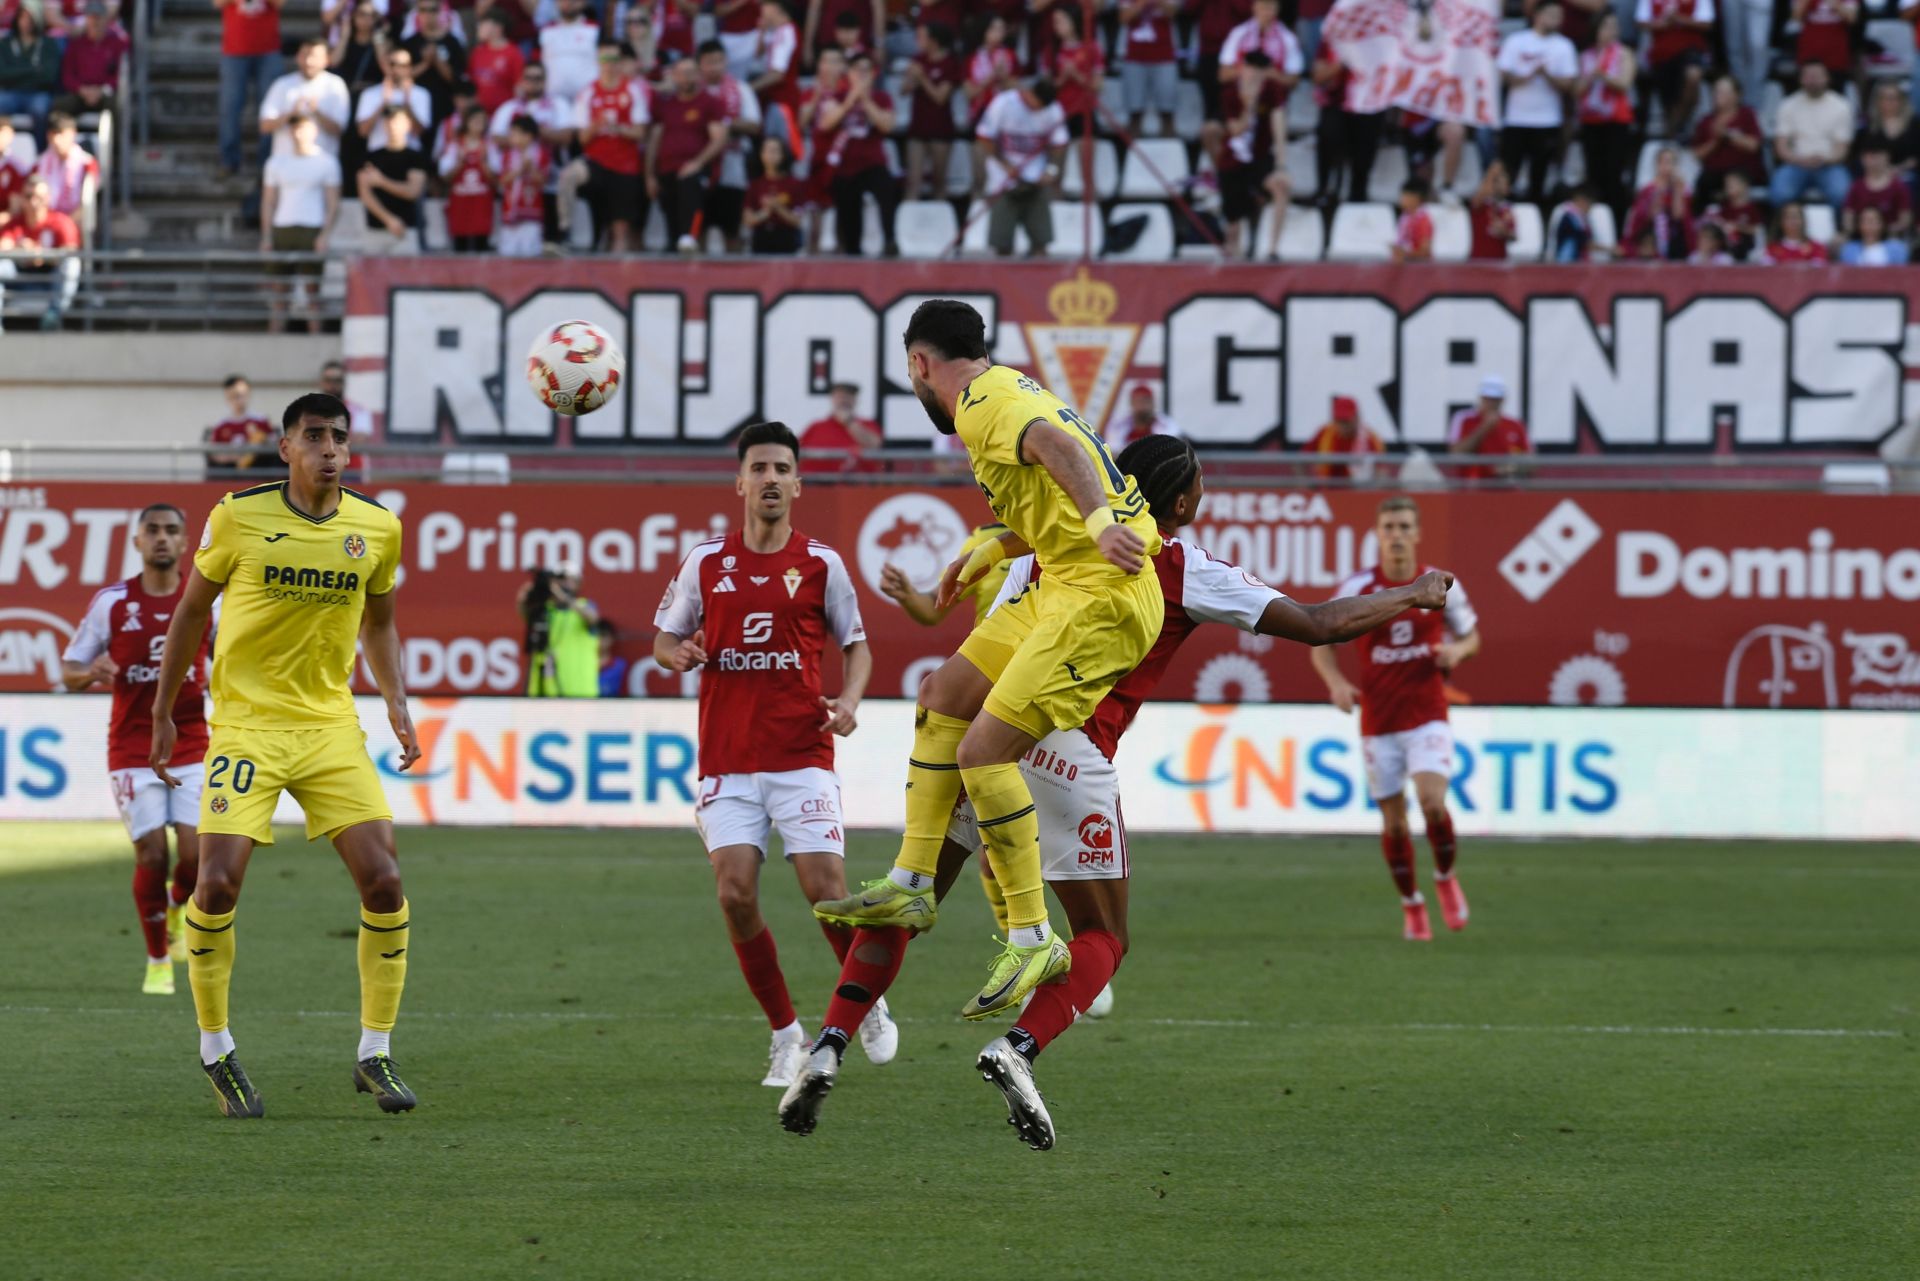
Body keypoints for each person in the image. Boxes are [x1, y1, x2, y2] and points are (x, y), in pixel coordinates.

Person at [782, 436, 1456, 1144]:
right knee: (1106, 935)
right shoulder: (1183, 567)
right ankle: (1017, 1046)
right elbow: (1321, 622)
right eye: (1200, 481)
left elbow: (988, 647)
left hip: (989, 738)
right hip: (1072, 753)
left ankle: (828, 1042)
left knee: (915, 896)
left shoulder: (1050, 547)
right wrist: (1413, 594)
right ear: (1183, 501)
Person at [809, 299, 1165, 1020]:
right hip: (1061, 576)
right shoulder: (1006, 385)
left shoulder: (979, 403)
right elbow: (1043, 487)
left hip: (1101, 593)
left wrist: (1099, 521)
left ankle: (1033, 936)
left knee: (983, 751)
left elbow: (1053, 449)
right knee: (942, 694)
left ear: (918, 362)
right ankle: (913, 880)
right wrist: (999, 540)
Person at [146, 393, 421, 1119]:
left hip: (330, 728)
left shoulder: (378, 527)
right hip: (246, 728)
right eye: (314, 436)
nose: (330, 448)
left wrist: (395, 700)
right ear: (286, 448)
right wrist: (167, 708)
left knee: (386, 880)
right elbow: (191, 611)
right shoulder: (239, 515)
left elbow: (382, 623)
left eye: (339, 436)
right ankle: (216, 1049)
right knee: (219, 884)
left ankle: (375, 1051)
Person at [653, 420, 889, 1089]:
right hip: (728, 759)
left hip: (801, 754)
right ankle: (787, 1033)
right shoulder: (705, 563)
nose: (771, 479)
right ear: (739, 482)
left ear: (798, 483)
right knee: (734, 892)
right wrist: (682, 652)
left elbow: (859, 645)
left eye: (783, 468)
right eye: (759, 468)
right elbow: (664, 641)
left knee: (828, 892)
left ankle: (864, 1001)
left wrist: (850, 699)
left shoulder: (822, 564)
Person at [1310, 496, 1479, 942]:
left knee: (1432, 803)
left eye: (1405, 526)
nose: (1397, 535)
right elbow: (1320, 636)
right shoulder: (1361, 585)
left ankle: (1444, 876)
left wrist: (1457, 651)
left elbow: (1472, 636)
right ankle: (1412, 905)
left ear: (1417, 534)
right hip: (1379, 720)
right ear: (1378, 534)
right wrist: (1336, 684)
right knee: (1395, 824)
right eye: (1389, 527)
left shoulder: (1441, 583)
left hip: (1427, 714)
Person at [60, 502, 213, 997]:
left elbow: (232, 658)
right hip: (131, 747)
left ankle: (174, 909)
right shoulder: (112, 603)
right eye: (153, 531)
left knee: (193, 857)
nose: (163, 538)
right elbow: (69, 670)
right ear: (138, 542)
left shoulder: (208, 600)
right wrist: (91, 672)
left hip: (191, 744)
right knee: (151, 855)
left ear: (186, 542)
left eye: (172, 530)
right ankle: (157, 961)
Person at [1207, 48, 1290, 260]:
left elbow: (1278, 123)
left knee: (1281, 187)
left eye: (1260, 70)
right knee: (1233, 222)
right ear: (1242, 68)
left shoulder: (1272, 89)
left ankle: (1273, 249)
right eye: (1251, 69)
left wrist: (1281, 165)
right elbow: (1235, 129)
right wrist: (1249, 105)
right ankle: (1234, 258)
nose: (1255, 75)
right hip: (1233, 160)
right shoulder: (1230, 93)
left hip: (1259, 157)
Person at [260, 114, 340, 333]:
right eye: (294, 128)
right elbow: (268, 201)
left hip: (311, 228)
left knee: (312, 292)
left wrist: (324, 234)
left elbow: (333, 203)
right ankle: (274, 342)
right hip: (282, 228)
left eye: (303, 128)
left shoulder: (326, 162)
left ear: (314, 131)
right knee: (279, 293)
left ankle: (316, 342)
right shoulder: (276, 162)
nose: (298, 133)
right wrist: (267, 235)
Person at [1496, 0, 1576, 208]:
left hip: (1548, 120)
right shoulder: (1516, 41)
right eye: (1551, 15)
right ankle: (1506, 214)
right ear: (1537, 15)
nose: (1556, 20)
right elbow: (1505, 77)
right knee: (1509, 172)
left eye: (1559, 16)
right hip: (1516, 118)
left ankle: (1537, 218)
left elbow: (1568, 85)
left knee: (1539, 176)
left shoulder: (1564, 46)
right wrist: (1530, 74)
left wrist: (1547, 75)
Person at [977, 75, 1067, 258]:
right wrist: (1005, 164)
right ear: (1029, 94)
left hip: (1036, 179)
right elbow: (985, 137)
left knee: (1041, 244)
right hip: (1003, 180)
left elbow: (1059, 144)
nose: (1039, 110)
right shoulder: (1003, 104)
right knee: (1002, 245)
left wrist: (1051, 170)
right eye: (1037, 104)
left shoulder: (1053, 110)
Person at [819, 51, 898, 256]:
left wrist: (866, 101)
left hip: (873, 162)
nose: (862, 74)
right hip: (845, 165)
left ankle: (890, 239)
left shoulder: (882, 97)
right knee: (849, 210)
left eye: (866, 70)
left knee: (886, 188)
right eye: (857, 69)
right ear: (849, 73)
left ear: (874, 74)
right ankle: (853, 250)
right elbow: (826, 123)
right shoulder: (838, 97)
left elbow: (887, 125)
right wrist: (850, 101)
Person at [647, 53, 729, 254]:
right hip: (667, 170)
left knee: (690, 187)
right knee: (670, 214)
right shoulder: (665, 105)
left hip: (696, 170)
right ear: (674, 76)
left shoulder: (710, 102)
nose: (686, 77)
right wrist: (649, 175)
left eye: (691, 72)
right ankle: (674, 247)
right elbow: (654, 141)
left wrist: (698, 163)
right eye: (681, 73)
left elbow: (719, 138)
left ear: (699, 75)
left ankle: (689, 237)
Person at [578, 40, 650, 253]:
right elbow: (582, 138)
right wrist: (596, 125)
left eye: (614, 59)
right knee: (600, 228)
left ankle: (620, 280)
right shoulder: (588, 92)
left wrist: (616, 127)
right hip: (598, 165)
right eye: (605, 59)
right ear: (598, 61)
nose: (609, 64)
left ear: (621, 62)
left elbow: (640, 133)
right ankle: (561, 233)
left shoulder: (632, 91)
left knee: (621, 229)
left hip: (625, 166)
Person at [697, 38, 763, 255]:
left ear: (726, 62)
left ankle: (734, 281)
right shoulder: (693, 90)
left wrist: (725, 123)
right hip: (701, 165)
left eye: (719, 61)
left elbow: (754, 125)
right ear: (700, 64)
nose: (714, 66)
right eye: (709, 62)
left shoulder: (741, 89)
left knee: (731, 229)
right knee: (699, 228)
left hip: (732, 167)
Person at [1769, 62, 1855, 210]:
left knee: (1842, 194)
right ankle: (1786, 232)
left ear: (1827, 78)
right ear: (1801, 79)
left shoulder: (1841, 106)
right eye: (1808, 76)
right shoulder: (1788, 105)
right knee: (1780, 193)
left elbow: (1842, 150)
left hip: (1829, 164)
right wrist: (1799, 159)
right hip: (1795, 163)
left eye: (1817, 76)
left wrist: (1823, 160)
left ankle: (1839, 232)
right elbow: (1781, 146)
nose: (1813, 80)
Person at [1576, 10, 1636, 218]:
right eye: (1607, 26)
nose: (1612, 31)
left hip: (1616, 122)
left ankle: (1617, 224)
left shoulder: (1623, 53)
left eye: (1614, 26)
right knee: (1594, 176)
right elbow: (1576, 91)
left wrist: (1602, 74)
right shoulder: (1586, 55)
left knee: (1614, 175)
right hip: (1591, 121)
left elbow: (1625, 83)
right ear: (1596, 29)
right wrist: (1590, 77)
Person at [214, 0, 285, 174]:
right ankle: (229, 161)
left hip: (268, 50)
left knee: (271, 108)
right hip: (234, 50)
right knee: (230, 108)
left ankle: (268, 162)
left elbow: (281, 3)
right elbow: (217, 3)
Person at [1634, 0, 1712, 137]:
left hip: (1691, 48)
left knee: (1693, 77)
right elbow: (1641, 21)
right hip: (1661, 53)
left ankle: (1674, 126)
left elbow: (1707, 23)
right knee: (1668, 100)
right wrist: (1662, 24)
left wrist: (1679, 19)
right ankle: (1674, 129)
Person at [519, 565, 600, 697]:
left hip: (579, 692)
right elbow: (524, 612)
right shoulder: (544, 610)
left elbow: (593, 618)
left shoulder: (584, 606)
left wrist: (562, 596)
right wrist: (529, 595)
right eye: (559, 579)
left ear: (579, 583)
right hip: (546, 691)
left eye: (568, 579)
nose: (563, 583)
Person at [357, 105, 428, 253]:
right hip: (375, 230)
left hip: (406, 230)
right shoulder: (371, 157)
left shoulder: (415, 158)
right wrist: (389, 220)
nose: (392, 125)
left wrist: (381, 181)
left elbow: (412, 191)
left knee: (405, 276)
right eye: (389, 121)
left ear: (407, 124)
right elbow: (365, 193)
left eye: (397, 121)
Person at [1688, 74, 1766, 208]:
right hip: (1714, 172)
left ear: (1737, 95)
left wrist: (1728, 136)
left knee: (1734, 181)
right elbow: (1697, 154)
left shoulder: (1747, 115)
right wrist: (1715, 142)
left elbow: (1754, 145)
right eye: (1716, 91)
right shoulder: (1706, 121)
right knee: (1702, 183)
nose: (1717, 95)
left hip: (1743, 170)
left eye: (1723, 92)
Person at [900, 22, 959, 202]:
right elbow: (903, 91)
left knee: (939, 182)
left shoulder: (950, 63)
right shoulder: (917, 60)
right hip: (917, 128)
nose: (918, 41)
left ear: (934, 40)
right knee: (913, 182)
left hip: (941, 129)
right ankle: (908, 224)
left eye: (922, 37)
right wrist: (911, 78)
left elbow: (940, 97)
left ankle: (942, 226)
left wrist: (922, 77)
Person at [1447, 374, 1532, 480]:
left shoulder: (1515, 424)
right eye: (1487, 399)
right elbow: (1456, 453)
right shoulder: (1464, 419)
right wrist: (1484, 428)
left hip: (1508, 488)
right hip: (1472, 488)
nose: (1491, 403)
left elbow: (1529, 460)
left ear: (1502, 399)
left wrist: (1508, 468)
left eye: (1495, 399)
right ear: (1481, 398)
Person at [56, 2, 128, 121]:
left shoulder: (117, 44)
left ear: (106, 19)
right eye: (91, 17)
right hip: (81, 93)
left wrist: (102, 90)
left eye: (99, 17)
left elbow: (121, 75)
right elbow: (67, 75)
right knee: (59, 106)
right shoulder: (76, 44)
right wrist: (82, 89)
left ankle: (117, 140)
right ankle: (63, 137)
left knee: (117, 104)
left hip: (105, 94)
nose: (95, 21)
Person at [0, 6, 63, 143]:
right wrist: (33, 71)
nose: (26, 22)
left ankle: (40, 150)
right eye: (23, 17)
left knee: (40, 109)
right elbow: (2, 75)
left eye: (30, 18)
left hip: (37, 93)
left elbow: (49, 76)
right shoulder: (5, 44)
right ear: (17, 19)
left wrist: (16, 73)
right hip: (11, 93)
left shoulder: (48, 44)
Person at [1622, 145, 1696, 260]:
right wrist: (1657, 197)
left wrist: (1677, 189)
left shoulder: (1681, 188)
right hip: (1651, 235)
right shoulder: (1647, 190)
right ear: (1657, 164)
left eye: (1671, 162)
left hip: (1674, 239)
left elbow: (1679, 216)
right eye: (1664, 161)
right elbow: (1643, 218)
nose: (1667, 166)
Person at [1118, 0, 1180, 136]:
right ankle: (1133, 152)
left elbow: (1173, 13)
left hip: (1165, 55)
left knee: (1167, 111)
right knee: (1135, 112)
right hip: (1135, 55)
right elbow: (1123, 18)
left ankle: (1169, 150)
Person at [354, 46, 431, 155]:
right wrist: (383, 103)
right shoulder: (370, 94)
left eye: (403, 65)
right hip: (378, 153)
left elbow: (419, 132)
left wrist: (407, 104)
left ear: (410, 67)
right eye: (392, 64)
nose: (397, 69)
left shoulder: (421, 94)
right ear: (385, 65)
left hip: (410, 155)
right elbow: (363, 132)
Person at [402, 0, 466, 130]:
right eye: (423, 10)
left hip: (444, 105)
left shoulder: (453, 43)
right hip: (415, 106)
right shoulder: (409, 43)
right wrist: (425, 64)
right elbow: (402, 76)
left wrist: (437, 60)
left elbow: (456, 79)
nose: (428, 14)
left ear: (440, 12)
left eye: (432, 10)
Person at [494, 111, 549, 257]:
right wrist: (519, 170)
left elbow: (543, 181)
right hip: (510, 208)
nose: (512, 138)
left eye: (515, 134)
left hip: (532, 210)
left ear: (528, 136)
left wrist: (530, 168)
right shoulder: (507, 154)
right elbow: (502, 180)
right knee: (508, 252)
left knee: (530, 252)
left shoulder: (541, 154)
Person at [440, 103, 495, 251]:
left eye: (482, 121)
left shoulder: (489, 146)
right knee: (460, 247)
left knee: (481, 246)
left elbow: (495, 179)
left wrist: (483, 162)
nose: (478, 124)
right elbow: (445, 177)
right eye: (475, 120)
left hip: (481, 204)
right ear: (466, 122)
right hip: (460, 204)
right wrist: (459, 163)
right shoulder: (455, 146)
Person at [1045, 5, 1105, 136]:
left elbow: (1099, 86)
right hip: (1058, 110)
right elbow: (1045, 89)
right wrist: (1062, 78)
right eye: (1055, 22)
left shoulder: (1092, 47)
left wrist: (1076, 75)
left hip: (1084, 110)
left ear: (1073, 21)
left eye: (1060, 21)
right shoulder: (1052, 50)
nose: (1056, 26)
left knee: (1085, 144)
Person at [797, 380, 881, 472]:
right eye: (840, 396)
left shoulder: (867, 424)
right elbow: (796, 452)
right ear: (832, 399)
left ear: (856, 400)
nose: (844, 400)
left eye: (848, 396)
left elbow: (874, 445)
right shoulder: (816, 426)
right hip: (815, 483)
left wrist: (849, 422)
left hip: (856, 484)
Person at [743, 134, 805, 254]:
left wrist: (778, 207)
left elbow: (797, 220)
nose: (770, 155)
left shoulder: (794, 184)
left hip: (786, 238)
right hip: (761, 237)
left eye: (775, 151)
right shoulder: (755, 184)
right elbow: (747, 219)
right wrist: (765, 212)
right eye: (766, 150)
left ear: (783, 155)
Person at [204, 374, 274, 477]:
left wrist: (259, 444)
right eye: (235, 396)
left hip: (257, 475)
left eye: (243, 395)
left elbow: (273, 446)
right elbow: (214, 454)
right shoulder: (221, 426)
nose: (239, 400)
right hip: (229, 477)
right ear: (227, 397)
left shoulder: (261, 421)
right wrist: (237, 457)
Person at [32, 112, 97, 220]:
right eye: (53, 134)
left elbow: (86, 204)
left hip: (72, 222)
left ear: (73, 134)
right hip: (43, 220)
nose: (56, 140)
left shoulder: (87, 163)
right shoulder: (39, 164)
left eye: (61, 133)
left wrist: (64, 225)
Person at [1844, 141, 1913, 241]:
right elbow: (1848, 217)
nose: (1873, 161)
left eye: (1877, 156)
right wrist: (1861, 231)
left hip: (1890, 238)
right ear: (1862, 159)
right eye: (1869, 156)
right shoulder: (1856, 186)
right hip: (1861, 238)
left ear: (1887, 157)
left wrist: (1881, 231)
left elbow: (1905, 219)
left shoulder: (1898, 186)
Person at [1306, 396, 1385, 480]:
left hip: (1358, 491)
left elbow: (1382, 472)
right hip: (1326, 490)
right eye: (1338, 420)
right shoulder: (1325, 433)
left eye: (1345, 420)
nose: (1342, 425)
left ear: (1357, 417)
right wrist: (1307, 484)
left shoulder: (1370, 439)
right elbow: (1300, 459)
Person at [539, 0, 600, 105]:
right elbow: (537, 62)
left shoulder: (594, 29)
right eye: (563, 1)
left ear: (583, 3)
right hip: (553, 99)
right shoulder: (546, 31)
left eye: (572, 1)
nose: (567, 4)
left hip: (587, 98)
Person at [468, 9, 523, 114]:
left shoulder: (513, 53)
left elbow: (519, 87)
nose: (479, 27)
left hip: (504, 114)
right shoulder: (478, 52)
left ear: (498, 27)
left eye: (483, 23)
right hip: (480, 115)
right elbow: (471, 83)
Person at [1701, 169, 1763, 260]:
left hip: (1749, 250)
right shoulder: (1724, 208)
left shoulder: (1752, 209)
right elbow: (1720, 226)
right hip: (1727, 251)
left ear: (1744, 185)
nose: (1728, 186)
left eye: (1732, 184)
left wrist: (1738, 227)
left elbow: (1758, 230)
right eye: (1726, 184)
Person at [1105, 383, 1182, 450]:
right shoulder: (1118, 426)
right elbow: (1112, 451)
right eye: (1138, 401)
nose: (1142, 406)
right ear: (1132, 403)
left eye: (1145, 401)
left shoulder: (1167, 425)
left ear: (1152, 403)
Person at [1793, 0, 1857, 79]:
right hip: (1810, 49)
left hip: (1836, 51)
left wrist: (1834, 4)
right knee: (1809, 82)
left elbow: (1852, 18)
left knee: (1836, 83)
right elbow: (1796, 17)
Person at [1468, 159, 1516, 260]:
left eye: (1505, 184)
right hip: (1479, 261)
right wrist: (1492, 173)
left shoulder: (1507, 209)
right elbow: (1478, 198)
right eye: (1498, 182)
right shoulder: (1482, 204)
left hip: (1500, 262)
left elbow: (1513, 235)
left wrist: (1504, 232)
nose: (1501, 186)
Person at [1762, 200, 1830, 262]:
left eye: (1796, 217)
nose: (1793, 222)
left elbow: (1819, 272)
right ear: (1781, 222)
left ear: (1804, 221)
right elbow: (1767, 271)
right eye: (1788, 218)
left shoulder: (1816, 248)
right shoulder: (1772, 249)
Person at [1839, 205, 1909, 265]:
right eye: (1866, 221)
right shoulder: (1849, 250)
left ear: (1882, 224)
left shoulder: (1897, 249)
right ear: (1858, 225)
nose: (1870, 225)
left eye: (1874, 221)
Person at [1392, 177, 1433, 262]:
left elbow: (1425, 252)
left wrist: (1403, 254)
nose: (1401, 200)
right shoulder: (1404, 218)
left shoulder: (1423, 220)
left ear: (1415, 198)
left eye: (1404, 196)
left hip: (1419, 267)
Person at [595, 619, 628, 698]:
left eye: (603, 635)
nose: (599, 639)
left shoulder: (621, 665)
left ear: (612, 638)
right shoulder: (581, 665)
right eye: (596, 635)